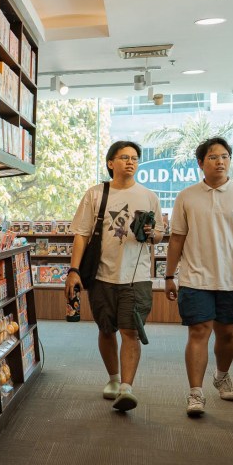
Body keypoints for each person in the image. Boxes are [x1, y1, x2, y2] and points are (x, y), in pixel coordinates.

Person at [164, 137, 233, 417]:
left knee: (227, 333)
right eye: (212, 157)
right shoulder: (186, 196)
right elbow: (176, 240)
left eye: (225, 156)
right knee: (198, 331)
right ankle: (195, 393)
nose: (220, 161)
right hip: (195, 278)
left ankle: (221, 375)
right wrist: (169, 276)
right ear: (200, 163)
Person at [67, 141, 163, 412]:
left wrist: (152, 232)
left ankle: (126, 388)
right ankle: (113, 379)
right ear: (111, 163)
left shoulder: (149, 196)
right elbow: (81, 234)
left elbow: (159, 235)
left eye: (134, 158)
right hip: (101, 275)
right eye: (124, 157)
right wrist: (73, 271)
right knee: (106, 329)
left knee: (130, 331)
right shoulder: (95, 194)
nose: (130, 162)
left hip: (137, 276)